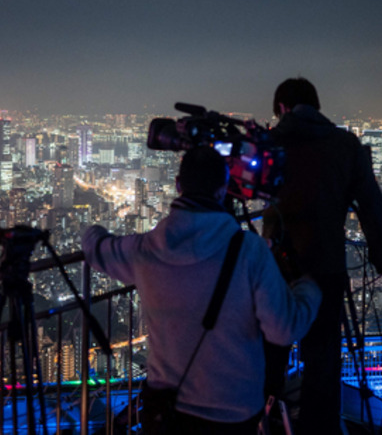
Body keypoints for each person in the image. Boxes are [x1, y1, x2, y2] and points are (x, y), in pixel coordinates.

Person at [82, 146, 321, 434]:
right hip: (234, 412)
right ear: (223, 191)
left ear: (178, 186)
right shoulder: (250, 251)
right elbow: (283, 329)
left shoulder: (145, 249)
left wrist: (92, 229)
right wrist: (309, 287)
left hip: (167, 412)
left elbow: (96, 248)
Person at [262, 77, 382, 434]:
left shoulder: (271, 143)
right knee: (323, 361)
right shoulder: (345, 145)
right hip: (326, 265)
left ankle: (264, 422)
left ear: (283, 108)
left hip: (276, 269)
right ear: (316, 106)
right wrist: (381, 255)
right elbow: (372, 205)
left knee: (270, 354)